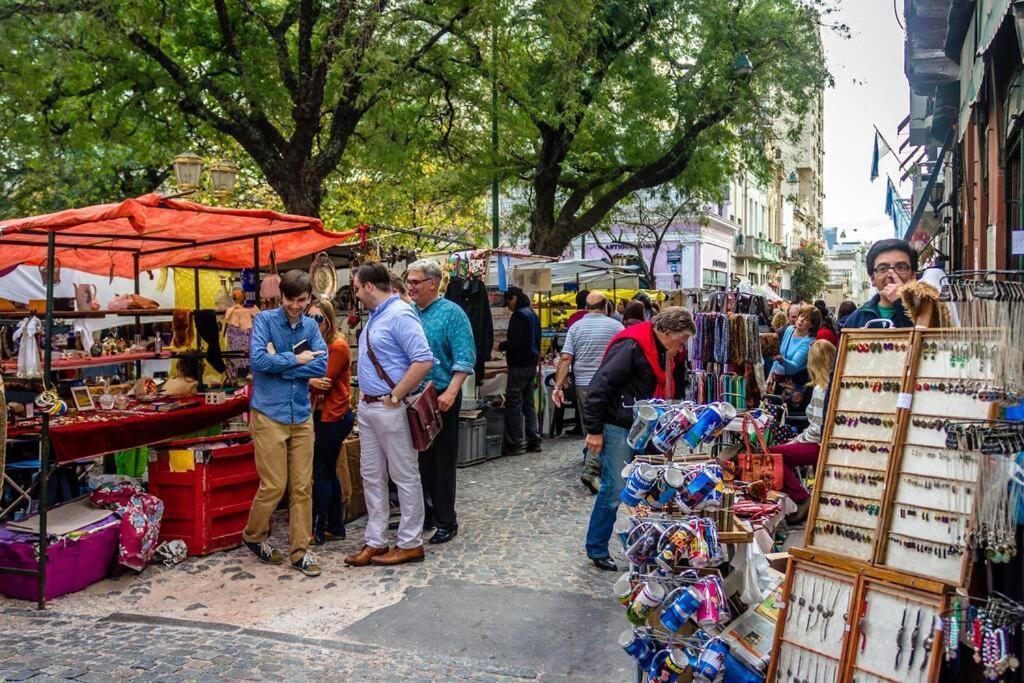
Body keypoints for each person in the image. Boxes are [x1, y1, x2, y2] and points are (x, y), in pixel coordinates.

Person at [582, 307, 695, 570]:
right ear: (665, 332)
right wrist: (594, 430)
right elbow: (601, 385)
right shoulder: (632, 345)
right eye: (680, 342)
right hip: (619, 425)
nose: (681, 348)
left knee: (649, 489)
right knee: (615, 489)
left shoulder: (663, 350)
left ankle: (645, 546)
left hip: (647, 427)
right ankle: (597, 548)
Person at [344, 263, 435, 568]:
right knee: (371, 475)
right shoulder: (377, 317)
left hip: (390, 407)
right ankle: (376, 540)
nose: (355, 294)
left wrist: (396, 395)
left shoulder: (400, 314)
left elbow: (423, 361)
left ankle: (410, 543)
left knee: (404, 475)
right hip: (370, 408)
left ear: (369, 286)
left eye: (356, 288)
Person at [243, 270, 328, 577]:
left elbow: (322, 364)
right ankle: (253, 535)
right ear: (282, 297)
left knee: (303, 486)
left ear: (309, 300)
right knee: (275, 485)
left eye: (301, 300)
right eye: (290, 299)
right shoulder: (264, 321)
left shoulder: (311, 325)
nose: (295, 305)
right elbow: (258, 362)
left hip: (301, 415)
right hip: (269, 413)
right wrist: (298, 360)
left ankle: (300, 552)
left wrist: (281, 362)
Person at [405, 259, 476, 545]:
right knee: (417, 460)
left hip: (441, 395)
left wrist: (452, 391)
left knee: (442, 460)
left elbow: (464, 355)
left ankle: (447, 519)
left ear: (432, 283)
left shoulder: (452, 313)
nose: (410, 286)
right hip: (411, 395)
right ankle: (424, 514)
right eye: (408, 281)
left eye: (415, 282)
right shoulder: (408, 313)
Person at [552, 292, 624, 494]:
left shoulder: (576, 327)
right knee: (608, 425)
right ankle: (594, 470)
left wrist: (558, 386)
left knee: (591, 426)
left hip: (584, 383)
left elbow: (566, 358)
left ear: (586, 307)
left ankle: (593, 468)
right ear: (606, 307)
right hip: (610, 382)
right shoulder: (616, 326)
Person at [769, 340, 836, 524]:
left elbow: (817, 429)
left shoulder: (821, 390)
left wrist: (797, 440)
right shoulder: (834, 385)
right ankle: (798, 496)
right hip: (821, 441)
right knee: (781, 453)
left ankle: (801, 497)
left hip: (818, 444)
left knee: (773, 454)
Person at [307, 299, 354, 545]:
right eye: (310, 318)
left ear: (328, 319)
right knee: (328, 471)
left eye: (318, 318)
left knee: (321, 473)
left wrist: (298, 375)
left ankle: (319, 528)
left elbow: (323, 381)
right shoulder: (318, 344)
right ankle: (336, 526)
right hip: (325, 415)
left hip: (335, 416)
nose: (314, 323)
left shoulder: (337, 346)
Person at [496, 286, 542, 456]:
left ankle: (515, 443)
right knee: (528, 402)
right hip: (531, 363)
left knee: (514, 403)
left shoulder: (519, 315)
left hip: (519, 364)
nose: (507, 304)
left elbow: (514, 342)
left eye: (508, 300)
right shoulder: (532, 314)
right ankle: (534, 440)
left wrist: (500, 345)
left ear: (515, 298)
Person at [841, 239, 917, 328]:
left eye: (900, 267)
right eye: (883, 269)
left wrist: (901, 303)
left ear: (913, 275)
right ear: (872, 279)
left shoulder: (926, 312)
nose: (891, 275)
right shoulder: (858, 317)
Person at [769, 305, 820, 413]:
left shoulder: (808, 342)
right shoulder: (789, 330)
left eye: (806, 319)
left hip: (794, 389)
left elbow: (794, 367)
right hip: (779, 383)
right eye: (801, 315)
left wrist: (781, 360)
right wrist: (770, 376)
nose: (801, 320)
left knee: (788, 419)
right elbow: (779, 353)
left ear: (811, 325)